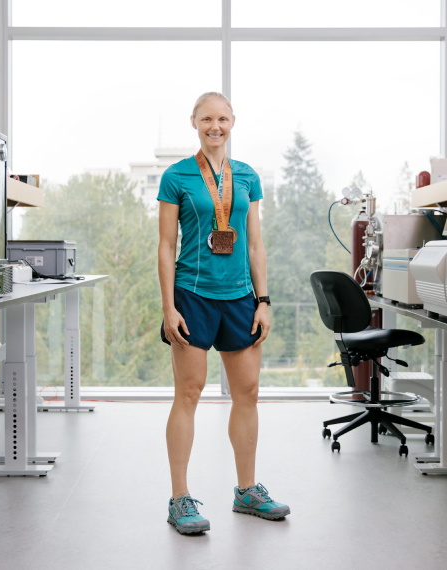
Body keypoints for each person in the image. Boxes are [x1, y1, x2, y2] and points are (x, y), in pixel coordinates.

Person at [157, 92, 290, 535]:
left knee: (247, 394)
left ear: (233, 121)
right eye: (207, 119)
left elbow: (254, 243)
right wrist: (168, 307)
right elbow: (165, 246)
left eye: (223, 118)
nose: (215, 126)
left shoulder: (248, 176)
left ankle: (247, 491)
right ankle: (180, 499)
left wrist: (264, 300)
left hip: (239, 299)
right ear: (194, 122)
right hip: (192, 296)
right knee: (189, 395)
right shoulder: (177, 176)